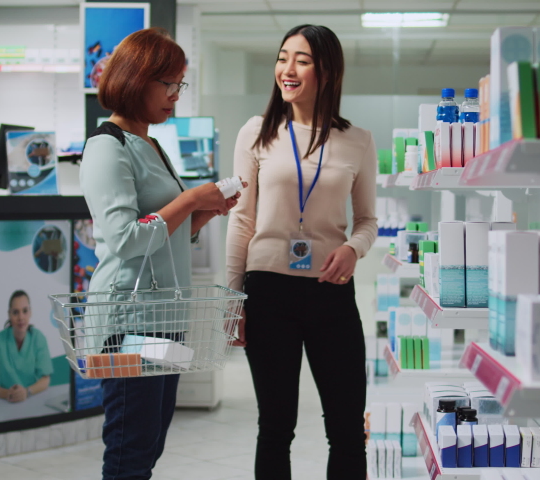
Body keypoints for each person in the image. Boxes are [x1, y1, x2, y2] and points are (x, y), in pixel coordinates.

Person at [79, 27, 245, 480]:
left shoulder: (150, 144)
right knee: (129, 449)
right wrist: (190, 199)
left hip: (164, 317)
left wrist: (205, 214)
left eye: (179, 84)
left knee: (150, 444)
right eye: (167, 83)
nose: (175, 95)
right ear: (136, 79)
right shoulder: (105, 147)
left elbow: (164, 236)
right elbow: (127, 239)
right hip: (126, 323)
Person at [226, 24, 377, 480]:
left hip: (330, 291)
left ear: (327, 72)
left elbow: (368, 221)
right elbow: (242, 219)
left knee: (348, 429)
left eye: (302, 60)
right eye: (282, 57)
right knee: (275, 427)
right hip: (268, 291)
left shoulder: (357, 140)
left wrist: (354, 248)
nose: (287, 69)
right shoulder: (256, 132)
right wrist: (234, 299)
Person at [0, 290, 53, 403]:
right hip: (6, 402)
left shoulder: (38, 338)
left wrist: (26, 392)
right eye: (15, 312)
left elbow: (45, 380)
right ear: (9, 314)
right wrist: (7, 394)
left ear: (30, 312)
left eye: (25, 311)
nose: (21, 317)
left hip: (32, 399)